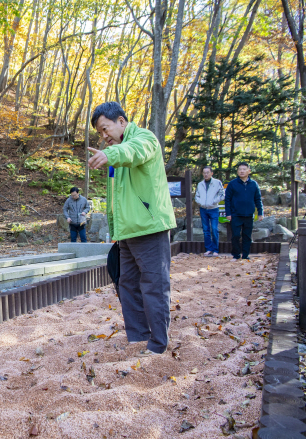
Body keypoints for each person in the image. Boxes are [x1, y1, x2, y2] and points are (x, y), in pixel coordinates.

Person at [87, 101, 176, 356]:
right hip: (127, 233)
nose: (104, 137)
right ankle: (139, 338)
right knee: (127, 285)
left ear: (122, 121)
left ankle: (158, 345)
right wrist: (115, 233)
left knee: (154, 286)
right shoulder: (117, 151)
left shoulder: (144, 139)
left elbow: (135, 151)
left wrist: (110, 155)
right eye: (100, 134)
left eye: (106, 129)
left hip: (149, 228)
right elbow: (118, 198)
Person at [225, 162, 263, 261]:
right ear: (237, 171)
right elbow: (227, 199)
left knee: (247, 236)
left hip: (248, 215)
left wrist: (260, 212)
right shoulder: (232, 184)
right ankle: (236, 255)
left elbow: (258, 199)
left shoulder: (253, 184)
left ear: (249, 171)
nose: (242, 171)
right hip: (235, 214)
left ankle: (245, 255)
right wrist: (228, 213)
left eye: (244, 169)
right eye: (240, 169)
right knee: (236, 235)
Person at [195, 166, 224, 257]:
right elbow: (197, 196)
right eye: (204, 173)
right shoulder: (200, 184)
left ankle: (215, 249)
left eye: (207, 172)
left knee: (214, 229)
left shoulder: (217, 182)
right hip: (203, 209)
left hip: (214, 209)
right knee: (206, 230)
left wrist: (214, 201)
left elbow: (222, 195)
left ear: (211, 173)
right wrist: (201, 203)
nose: (206, 174)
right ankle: (208, 249)